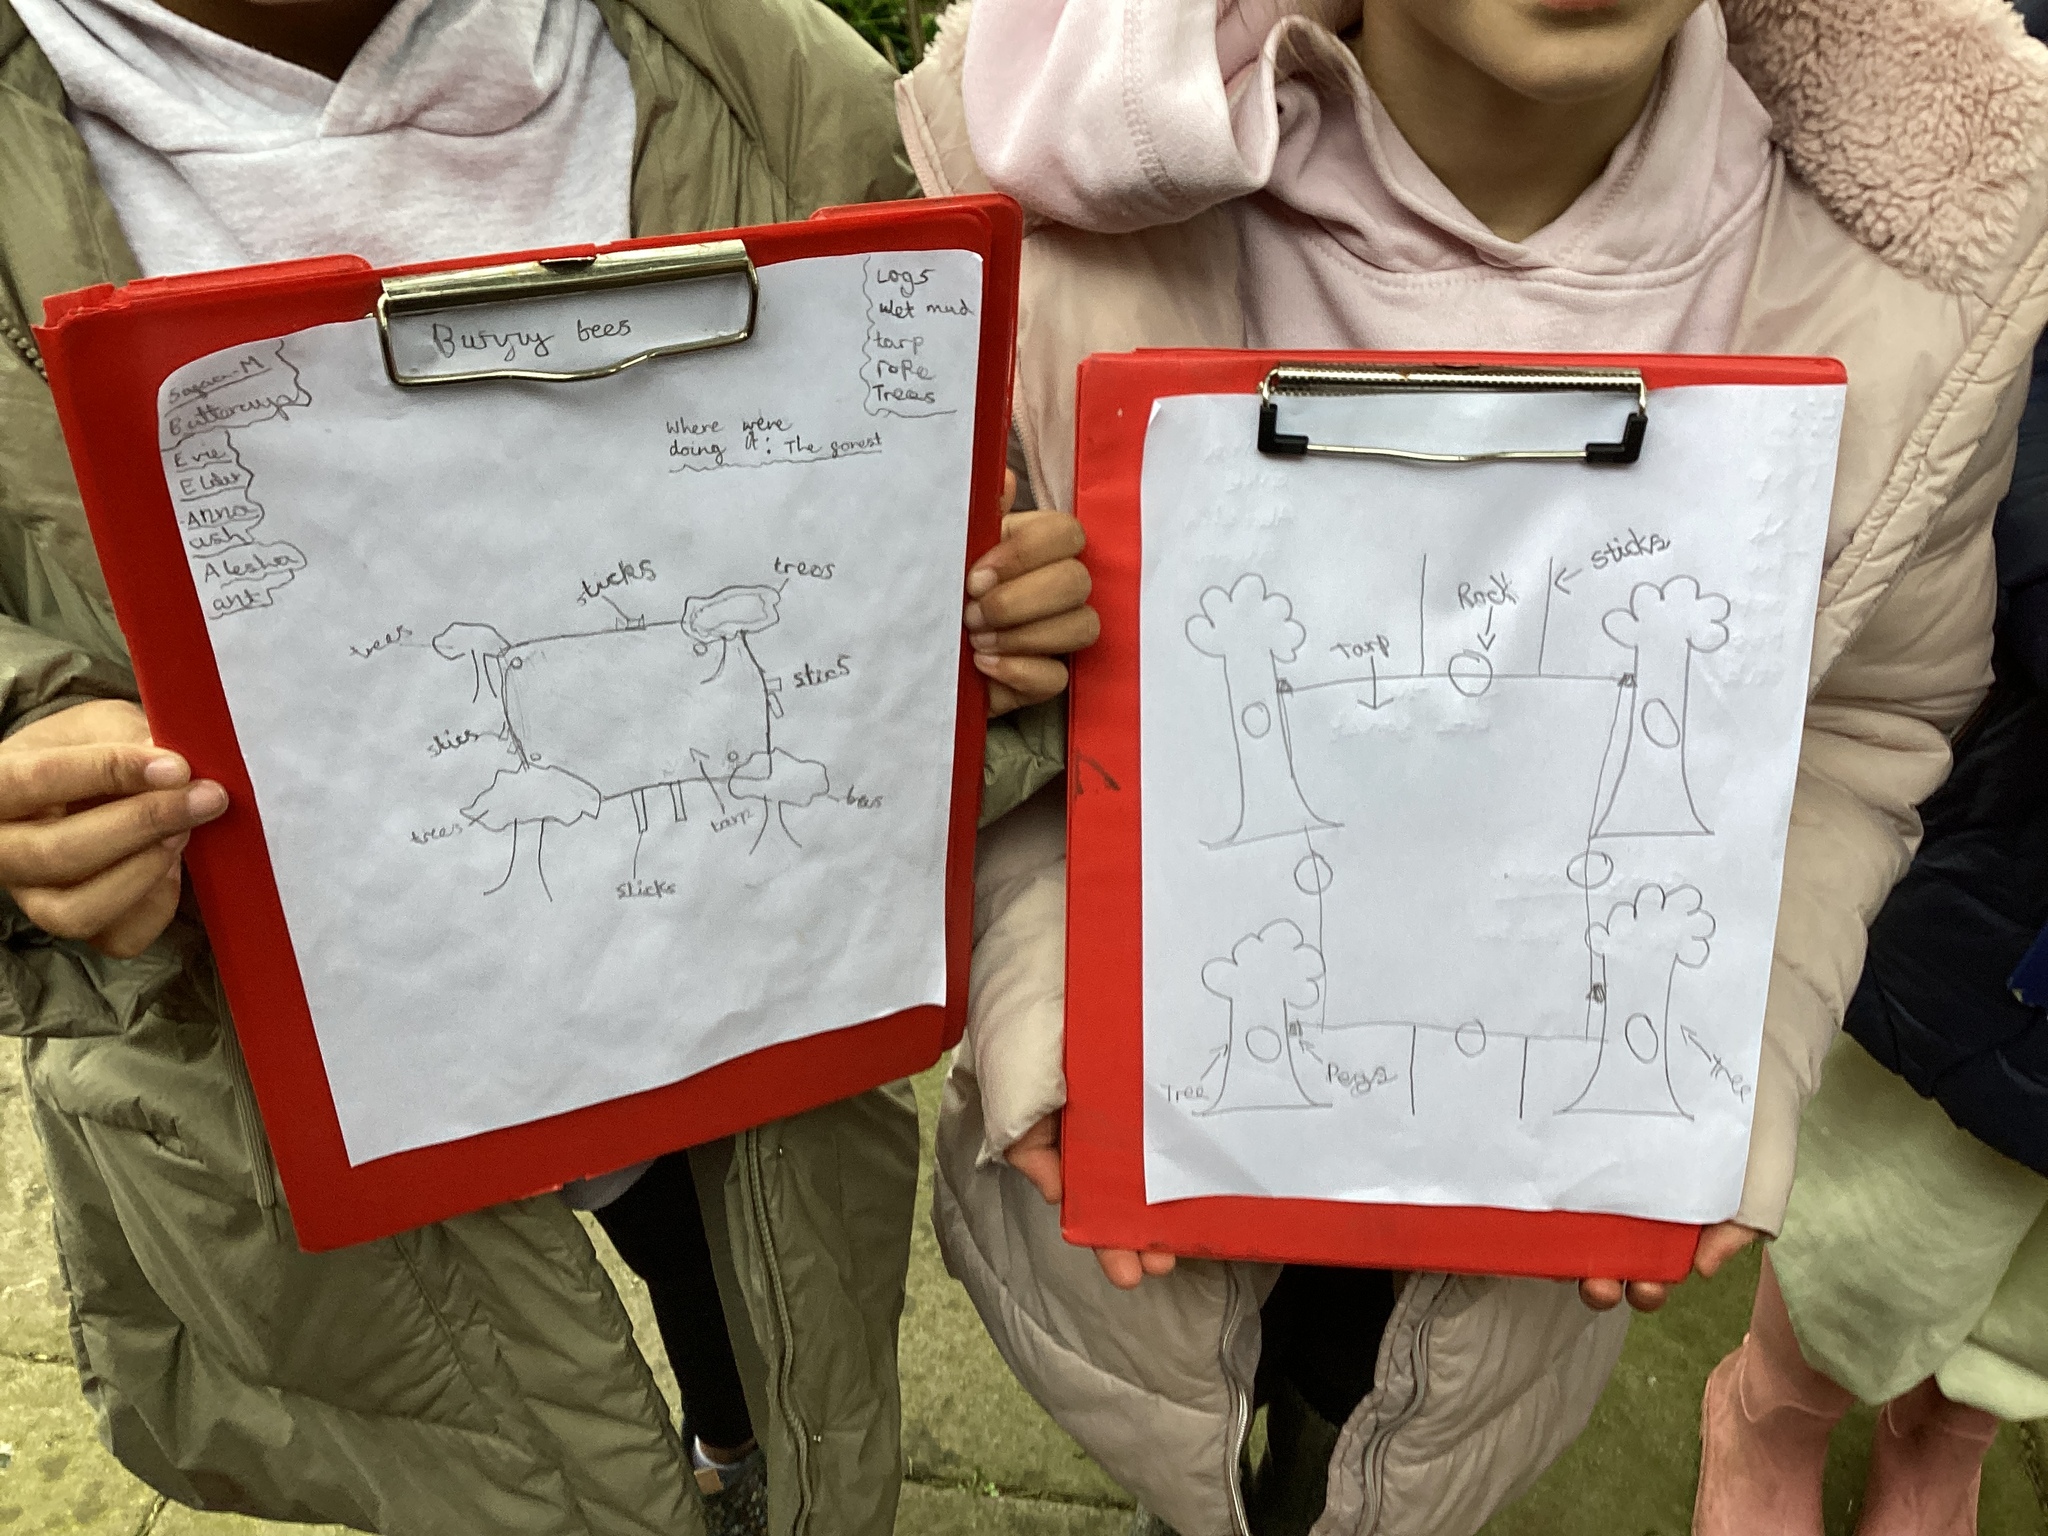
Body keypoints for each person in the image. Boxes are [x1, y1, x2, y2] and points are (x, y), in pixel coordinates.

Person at [894, 0, 2048, 1532]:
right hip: (1174, 1122)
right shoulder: (1051, 194)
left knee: (1359, 1421)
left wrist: (1724, 1053)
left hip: (1531, 1179)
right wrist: (1055, 986)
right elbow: (957, 690)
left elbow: (1861, 724)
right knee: (1208, 1419)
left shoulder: (1907, 281)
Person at [0, 2, 1094, 1534]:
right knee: (488, 1431)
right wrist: (28, 758)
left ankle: (734, 1444)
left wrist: (979, 606)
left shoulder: (776, 75)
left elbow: (937, 474)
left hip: (738, 996)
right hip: (300, 1087)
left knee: (717, 1256)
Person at [1694, 275, 2048, 1536]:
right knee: (1895, 1214)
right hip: (2011, 871)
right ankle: (1775, 1406)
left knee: (2029, 1297)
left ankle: (1949, 1430)